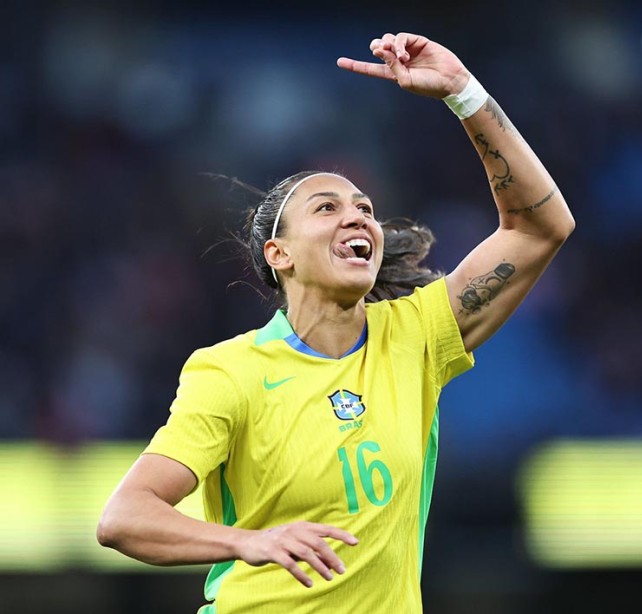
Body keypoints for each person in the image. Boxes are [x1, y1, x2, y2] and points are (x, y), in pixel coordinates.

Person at [96, 31, 574, 614]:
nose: (359, 218)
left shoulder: (416, 336)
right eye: (327, 207)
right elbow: (125, 518)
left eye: (365, 209)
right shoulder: (230, 371)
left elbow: (538, 227)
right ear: (279, 254)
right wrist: (247, 542)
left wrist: (463, 93)